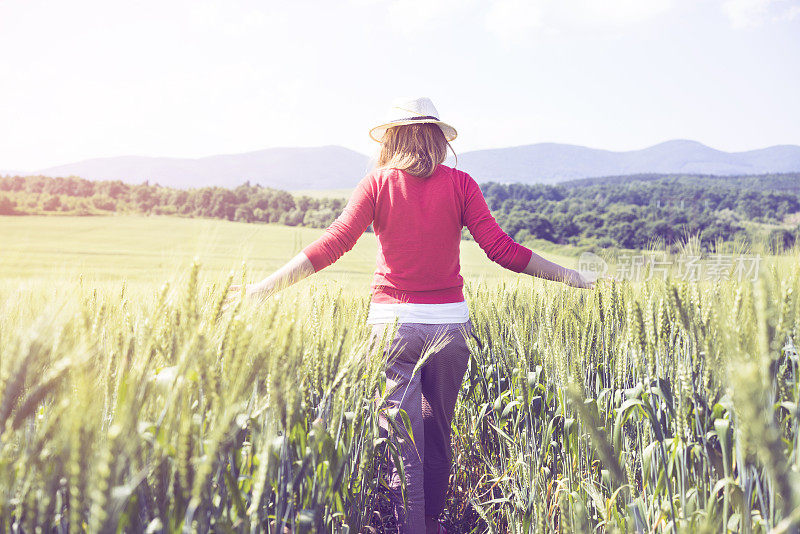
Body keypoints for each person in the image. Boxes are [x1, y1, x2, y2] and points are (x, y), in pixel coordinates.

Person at [227, 97, 594, 533]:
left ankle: (410, 526)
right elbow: (502, 250)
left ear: (392, 137)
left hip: (392, 329)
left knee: (404, 441)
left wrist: (262, 289)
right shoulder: (462, 184)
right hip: (449, 329)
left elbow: (334, 242)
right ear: (438, 138)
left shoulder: (376, 184)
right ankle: (433, 523)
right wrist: (572, 276)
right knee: (438, 430)